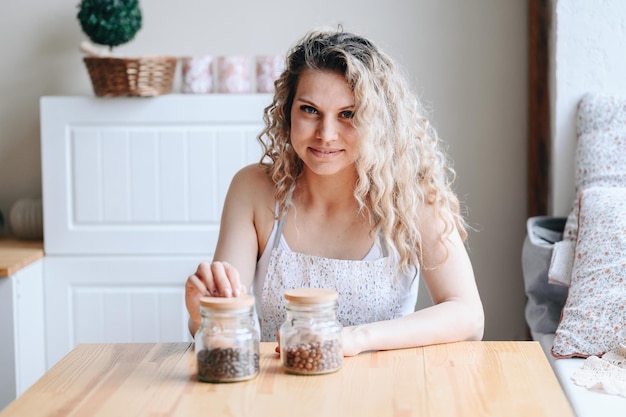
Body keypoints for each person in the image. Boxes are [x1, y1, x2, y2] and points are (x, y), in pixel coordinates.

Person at [185, 27, 484, 356]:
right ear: (287, 112)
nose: (326, 134)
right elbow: (224, 335)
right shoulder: (253, 190)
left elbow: (468, 316)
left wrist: (350, 340)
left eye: (348, 115)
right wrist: (203, 315)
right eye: (310, 110)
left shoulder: (411, 196)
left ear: (378, 121)